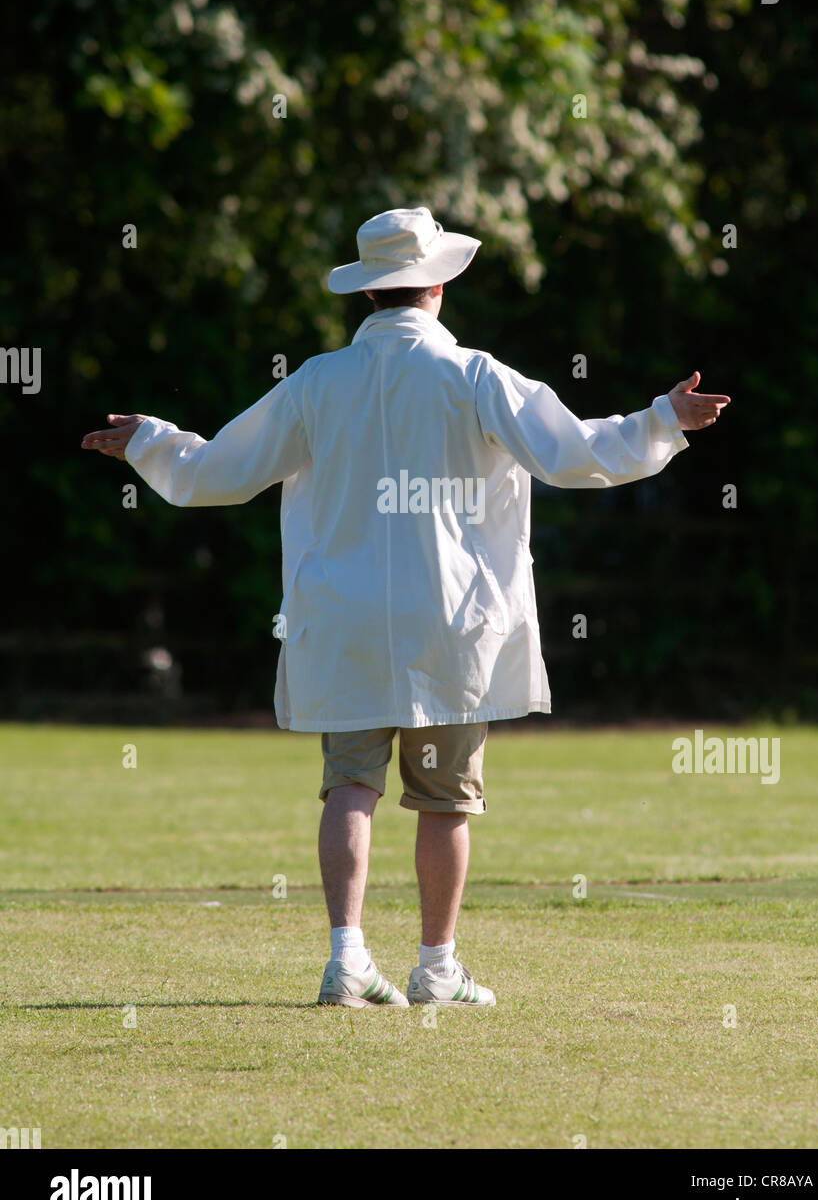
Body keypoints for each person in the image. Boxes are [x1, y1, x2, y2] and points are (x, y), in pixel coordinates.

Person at [82, 206, 730, 1009]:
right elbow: (576, 455)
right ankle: (434, 966)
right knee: (445, 798)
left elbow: (217, 472)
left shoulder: (317, 381)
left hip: (343, 617)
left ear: (366, 294)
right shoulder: (474, 375)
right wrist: (663, 417)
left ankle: (345, 960)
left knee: (349, 786)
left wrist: (150, 438)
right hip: (453, 622)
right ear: (436, 284)